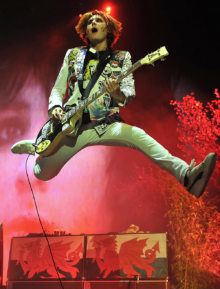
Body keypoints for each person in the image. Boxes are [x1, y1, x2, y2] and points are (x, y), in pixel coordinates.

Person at [11, 10, 216, 199]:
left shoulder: (121, 58)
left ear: (107, 29)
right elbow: (57, 89)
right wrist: (55, 106)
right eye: (89, 21)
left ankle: (188, 177)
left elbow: (128, 95)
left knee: (138, 136)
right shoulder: (72, 55)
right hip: (70, 125)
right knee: (42, 173)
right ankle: (37, 147)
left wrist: (115, 92)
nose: (93, 22)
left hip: (104, 123)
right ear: (86, 31)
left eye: (98, 20)